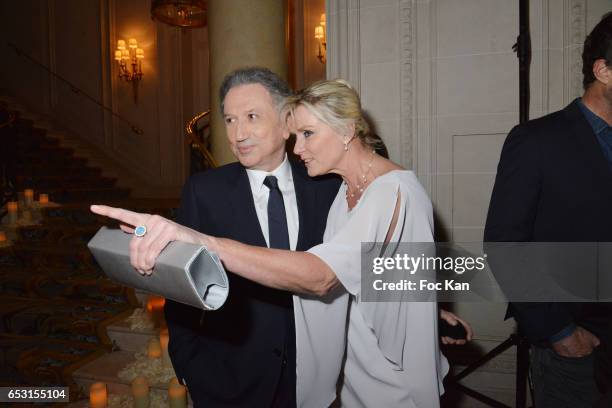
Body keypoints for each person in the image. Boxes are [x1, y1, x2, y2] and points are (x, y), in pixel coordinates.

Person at [92, 79, 471, 407]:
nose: (298, 147)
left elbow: (321, 275)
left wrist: (200, 240)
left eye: (308, 134)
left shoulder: (394, 190)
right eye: (229, 119)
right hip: (348, 377)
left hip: (390, 385)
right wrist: (419, 309)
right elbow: (369, 267)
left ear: (347, 130)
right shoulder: (344, 192)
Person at [158, 67, 340, 407]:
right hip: (228, 380)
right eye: (229, 120)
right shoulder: (204, 191)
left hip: (314, 380)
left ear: (287, 121)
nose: (237, 134)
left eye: (251, 116)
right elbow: (181, 289)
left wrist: (428, 314)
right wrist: (189, 366)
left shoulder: (326, 185)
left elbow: (355, 263)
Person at [484, 12, 612, 408]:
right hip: (579, 351)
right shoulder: (536, 141)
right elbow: (505, 246)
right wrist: (559, 331)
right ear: (603, 70)